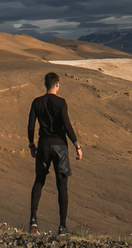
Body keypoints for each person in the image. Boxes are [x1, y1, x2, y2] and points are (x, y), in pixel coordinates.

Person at [27, 70, 82, 235]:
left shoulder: (36, 102)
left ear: (45, 85)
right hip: (60, 148)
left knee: (39, 181)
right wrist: (77, 146)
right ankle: (62, 226)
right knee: (62, 187)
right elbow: (67, 126)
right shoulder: (61, 102)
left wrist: (32, 145)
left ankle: (33, 221)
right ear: (57, 85)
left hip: (43, 146)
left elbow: (30, 127)